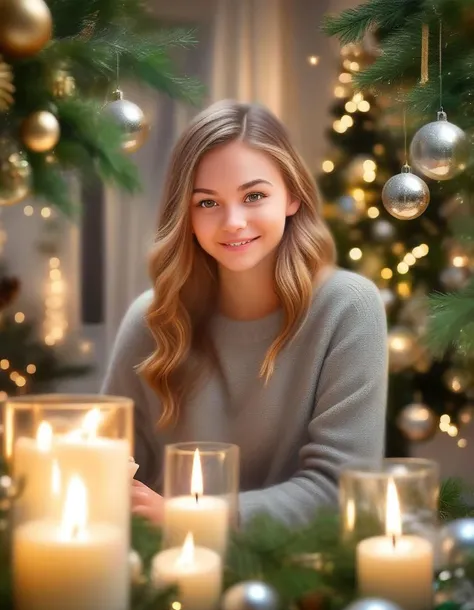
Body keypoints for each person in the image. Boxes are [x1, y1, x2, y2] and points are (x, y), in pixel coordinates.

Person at [101, 99, 388, 528]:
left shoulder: (348, 308)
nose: (233, 222)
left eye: (254, 196)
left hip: (302, 580)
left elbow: (341, 486)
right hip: (164, 572)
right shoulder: (152, 319)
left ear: (292, 197)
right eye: (207, 203)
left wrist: (191, 517)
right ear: (186, 214)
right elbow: (104, 467)